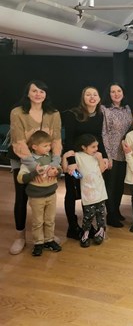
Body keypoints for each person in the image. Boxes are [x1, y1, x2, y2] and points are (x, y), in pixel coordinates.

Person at [9, 80, 62, 255]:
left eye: (42, 91)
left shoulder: (53, 113)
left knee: (47, 196)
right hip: (23, 159)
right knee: (22, 197)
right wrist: (35, 168)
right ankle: (20, 236)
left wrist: (54, 164)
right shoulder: (17, 113)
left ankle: (48, 236)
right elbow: (18, 141)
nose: (38, 94)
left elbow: (56, 140)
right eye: (34, 91)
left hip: (48, 159)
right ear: (28, 93)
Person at [63, 86, 108, 240]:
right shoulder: (73, 114)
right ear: (83, 98)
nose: (92, 97)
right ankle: (72, 226)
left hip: (89, 162)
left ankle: (87, 225)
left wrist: (105, 156)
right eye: (88, 94)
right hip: (75, 161)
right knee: (72, 192)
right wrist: (71, 162)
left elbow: (99, 138)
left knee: (86, 191)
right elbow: (68, 139)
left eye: (95, 94)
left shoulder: (100, 115)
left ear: (99, 98)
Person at [17, 131, 62, 256]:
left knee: (50, 220)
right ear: (35, 147)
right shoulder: (28, 161)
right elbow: (20, 178)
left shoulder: (51, 158)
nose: (49, 148)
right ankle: (38, 243)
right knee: (37, 221)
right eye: (45, 145)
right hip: (36, 197)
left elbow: (59, 169)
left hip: (51, 195)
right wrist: (34, 173)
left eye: (49, 145)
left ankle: (49, 240)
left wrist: (57, 171)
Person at [63, 134, 108, 248]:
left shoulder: (96, 156)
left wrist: (100, 159)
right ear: (84, 147)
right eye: (93, 147)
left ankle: (101, 231)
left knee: (101, 215)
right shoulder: (78, 156)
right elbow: (68, 170)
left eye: (97, 146)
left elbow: (102, 170)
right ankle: (86, 233)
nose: (96, 149)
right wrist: (64, 158)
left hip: (100, 192)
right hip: (88, 194)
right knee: (88, 216)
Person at [101, 82, 133, 227]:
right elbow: (104, 133)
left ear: (123, 93)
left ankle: (117, 210)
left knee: (120, 185)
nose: (116, 94)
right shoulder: (105, 110)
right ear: (108, 94)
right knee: (111, 186)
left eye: (118, 91)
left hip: (124, 154)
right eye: (112, 91)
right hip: (111, 153)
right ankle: (111, 214)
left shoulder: (127, 109)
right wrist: (107, 155)